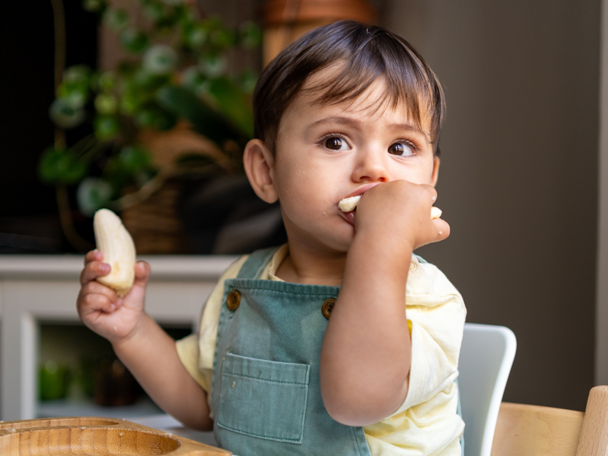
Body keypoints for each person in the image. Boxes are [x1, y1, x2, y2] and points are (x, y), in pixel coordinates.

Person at [77, 20, 467, 456]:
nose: (375, 170)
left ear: (428, 182)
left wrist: (382, 241)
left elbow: (357, 400)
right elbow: (206, 406)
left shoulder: (426, 297)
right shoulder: (245, 281)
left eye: (401, 148)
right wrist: (131, 332)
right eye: (335, 140)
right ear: (266, 171)